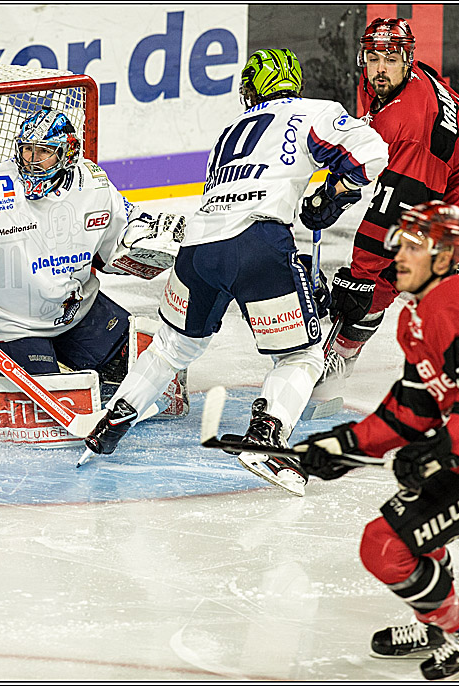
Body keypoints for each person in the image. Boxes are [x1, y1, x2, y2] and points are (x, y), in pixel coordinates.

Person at [82, 48, 389, 496]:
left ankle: (109, 425)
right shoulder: (313, 112)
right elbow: (372, 152)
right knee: (301, 356)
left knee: (172, 349)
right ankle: (267, 437)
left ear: (250, 90)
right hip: (258, 244)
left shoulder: (230, 132)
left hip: (198, 248)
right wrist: (334, 196)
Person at [294, 201, 459, 681]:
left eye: (413, 247)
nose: (399, 255)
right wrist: (343, 446)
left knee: (386, 546)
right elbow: (411, 409)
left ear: (443, 257)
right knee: (419, 537)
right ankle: (439, 626)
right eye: (401, 245)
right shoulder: (414, 317)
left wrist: (443, 453)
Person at [0, 107, 187, 410]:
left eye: (43, 151)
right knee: (48, 406)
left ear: (67, 154)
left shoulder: (94, 185)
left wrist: (152, 237)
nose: (32, 160)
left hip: (78, 312)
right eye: (27, 150)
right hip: (10, 327)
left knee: (150, 371)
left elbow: (118, 241)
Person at [310, 17, 459, 404]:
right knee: (381, 278)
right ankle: (339, 358)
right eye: (373, 58)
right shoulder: (382, 88)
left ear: (408, 59)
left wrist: (359, 275)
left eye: (390, 58)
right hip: (433, 185)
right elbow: (375, 154)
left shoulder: (407, 118)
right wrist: (334, 192)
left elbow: (391, 210)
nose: (380, 68)